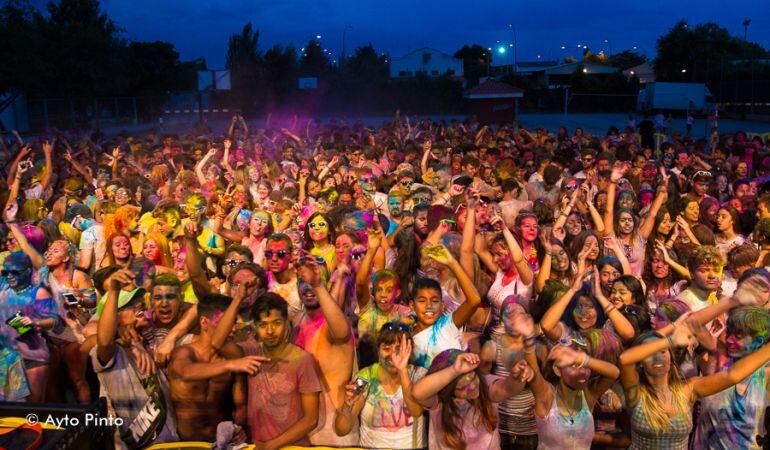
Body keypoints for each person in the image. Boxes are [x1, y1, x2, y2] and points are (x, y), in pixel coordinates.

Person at [91, 268, 179, 448]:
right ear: (115, 317)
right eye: (131, 305)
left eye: (139, 304)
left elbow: (195, 311)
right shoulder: (112, 353)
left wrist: (170, 338)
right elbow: (105, 341)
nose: (140, 307)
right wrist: (114, 290)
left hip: (170, 442)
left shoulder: (155, 339)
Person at [412, 349, 533, 450]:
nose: (472, 386)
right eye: (462, 387)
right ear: (448, 391)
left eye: (473, 378)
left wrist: (518, 377)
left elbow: (507, 388)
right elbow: (417, 393)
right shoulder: (439, 403)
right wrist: (454, 370)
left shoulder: (484, 387)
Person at [334, 322, 426, 449]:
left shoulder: (418, 375)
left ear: (409, 350)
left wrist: (403, 371)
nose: (393, 356)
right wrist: (346, 406)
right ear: (378, 350)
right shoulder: (365, 377)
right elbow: (341, 430)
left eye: (399, 350)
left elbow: (416, 412)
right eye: (387, 349)